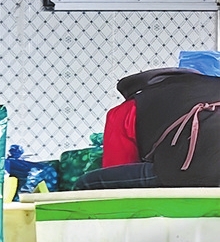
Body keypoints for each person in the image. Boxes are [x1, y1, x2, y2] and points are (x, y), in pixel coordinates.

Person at [78, 65, 220, 190]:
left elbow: (118, 169)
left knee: (87, 184)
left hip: (192, 171)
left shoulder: (129, 107)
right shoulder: (214, 86)